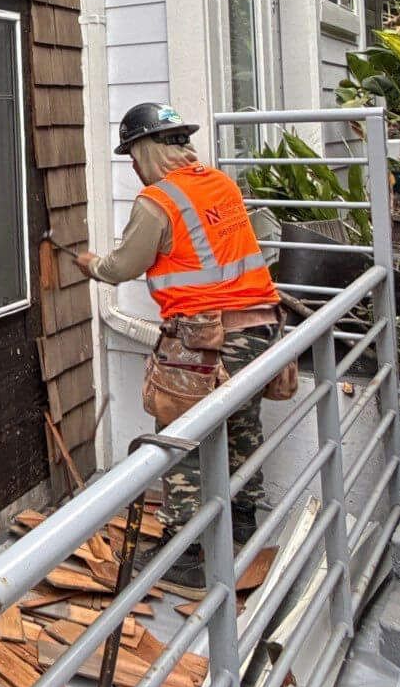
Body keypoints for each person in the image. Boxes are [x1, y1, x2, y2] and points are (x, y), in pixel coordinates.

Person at [75, 101, 280, 585]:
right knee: (242, 425)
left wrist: (92, 266)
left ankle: (188, 553)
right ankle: (242, 521)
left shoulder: (158, 202)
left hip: (208, 337)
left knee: (180, 432)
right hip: (260, 328)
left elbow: (124, 266)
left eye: (132, 153)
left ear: (148, 150)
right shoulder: (221, 184)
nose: (131, 164)